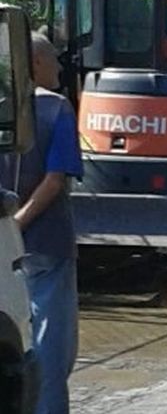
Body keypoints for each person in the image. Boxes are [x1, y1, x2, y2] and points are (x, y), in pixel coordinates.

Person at [0, 33, 83, 414]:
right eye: (53, 61)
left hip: (7, 251)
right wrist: (18, 224)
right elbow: (55, 179)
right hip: (47, 245)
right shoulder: (57, 109)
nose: (60, 68)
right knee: (52, 349)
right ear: (34, 63)